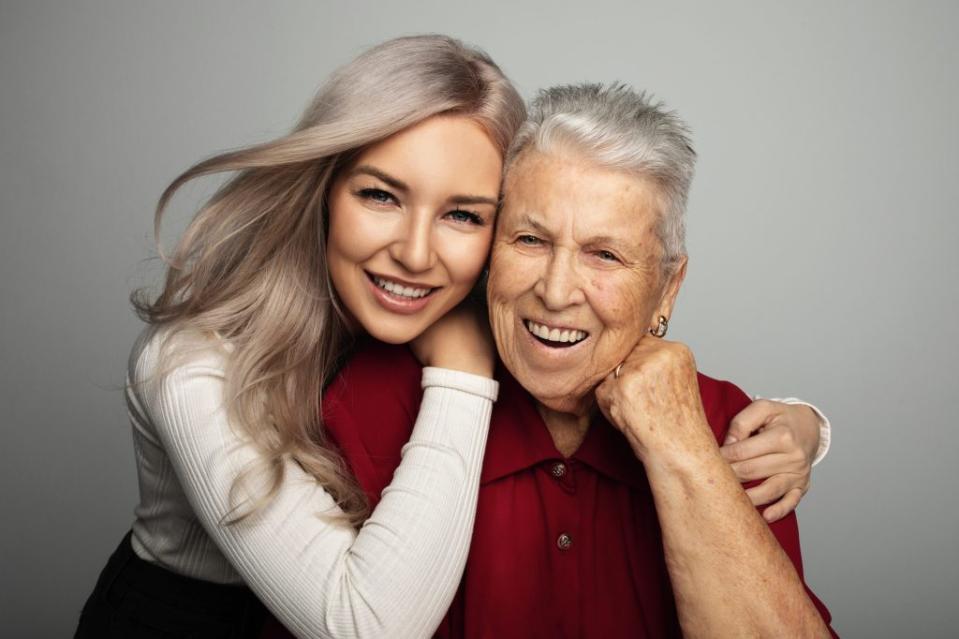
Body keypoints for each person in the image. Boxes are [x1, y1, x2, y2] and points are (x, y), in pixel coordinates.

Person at [77, 34, 828, 639]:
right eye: (379, 194)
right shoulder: (195, 364)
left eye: (465, 214)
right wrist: (466, 367)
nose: (415, 252)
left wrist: (799, 424)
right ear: (323, 191)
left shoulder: (473, 300)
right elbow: (362, 624)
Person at [267, 84, 837, 638]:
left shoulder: (728, 427)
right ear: (490, 249)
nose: (557, 291)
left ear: (667, 288)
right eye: (531, 241)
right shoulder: (373, 400)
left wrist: (682, 450)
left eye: (604, 254)